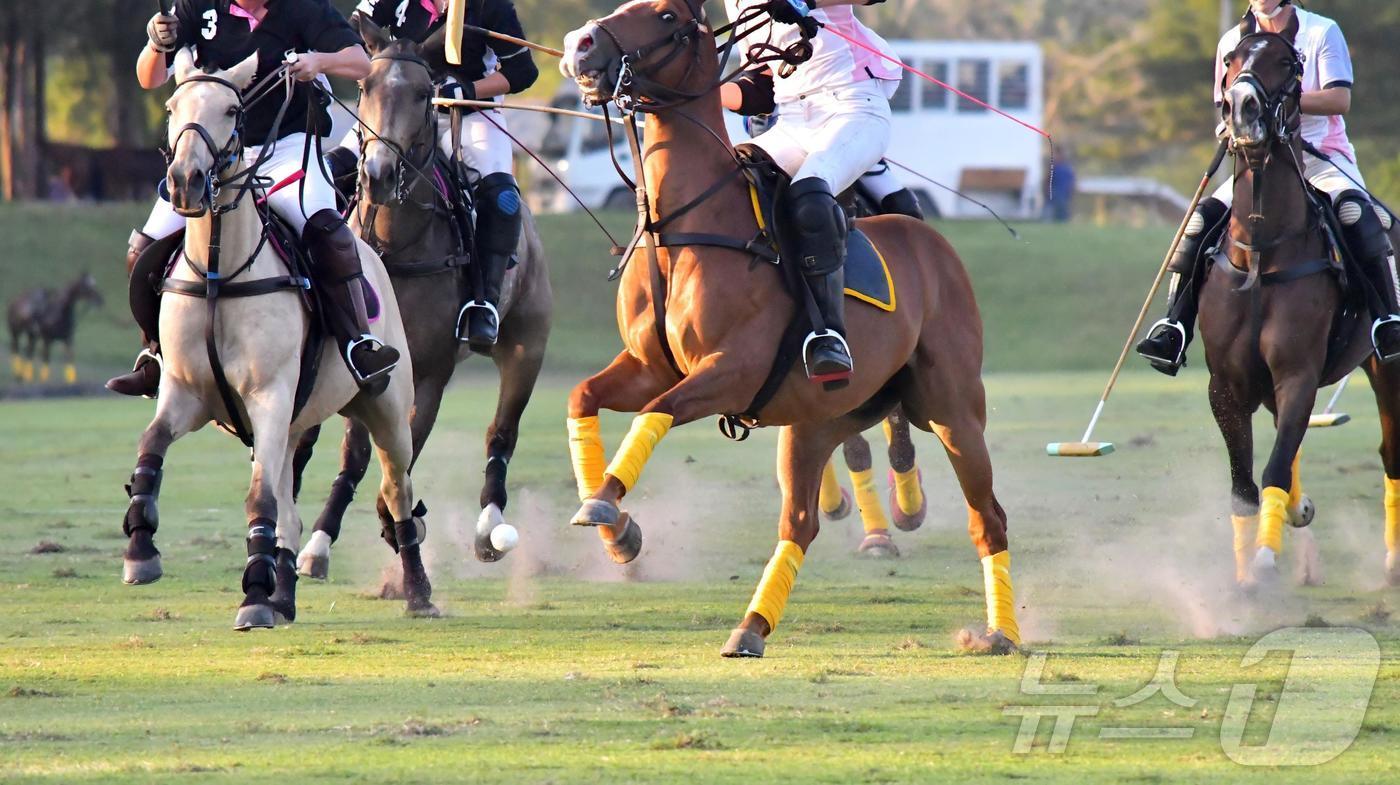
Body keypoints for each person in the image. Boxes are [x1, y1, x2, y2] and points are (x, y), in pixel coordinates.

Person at [108, 0, 398, 398]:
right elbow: (150, 78)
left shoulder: (303, 8)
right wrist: (156, 45)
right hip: (214, 155)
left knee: (324, 228)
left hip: (287, 147)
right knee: (144, 245)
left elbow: (360, 64)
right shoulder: (196, 8)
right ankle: (154, 354)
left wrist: (319, 61)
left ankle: (356, 342)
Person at [1136, 0, 1400, 374]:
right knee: (1198, 222)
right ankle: (1174, 326)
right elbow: (1226, 104)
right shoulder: (1232, 41)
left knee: (1356, 212)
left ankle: (1387, 319)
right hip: (1261, 162)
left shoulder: (1321, 32)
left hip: (1320, 155)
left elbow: (1340, 99)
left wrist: (1280, 100)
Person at [328, 0, 539, 350]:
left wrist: (470, 89)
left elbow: (522, 73)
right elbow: (351, 35)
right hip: (394, 114)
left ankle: (483, 302)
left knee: (502, 198)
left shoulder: (491, 7)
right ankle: (317, 282)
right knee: (331, 172)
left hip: (466, 114)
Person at [722, 0, 898, 385]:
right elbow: (761, 87)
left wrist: (806, 2)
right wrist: (702, 93)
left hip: (854, 107)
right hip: (791, 122)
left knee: (809, 195)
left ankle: (830, 336)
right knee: (728, 188)